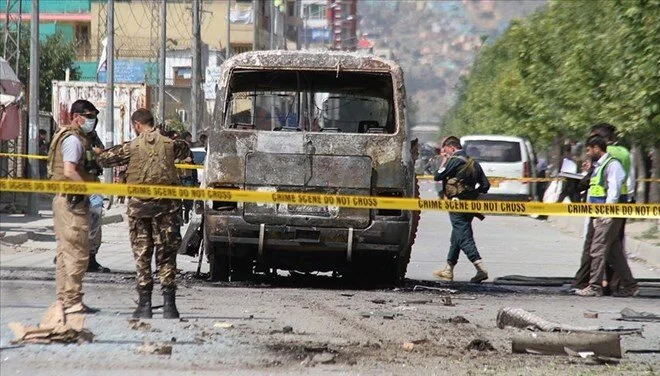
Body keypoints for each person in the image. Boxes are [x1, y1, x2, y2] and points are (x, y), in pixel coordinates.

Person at [94, 108, 189, 319]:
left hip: (140, 209)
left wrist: (96, 152)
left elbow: (106, 159)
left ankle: (145, 306)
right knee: (166, 256)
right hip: (167, 209)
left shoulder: (131, 146)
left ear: (137, 125)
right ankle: (169, 307)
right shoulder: (171, 144)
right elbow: (185, 149)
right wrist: (170, 136)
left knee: (142, 255)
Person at [46, 99, 101, 315]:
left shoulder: (76, 138)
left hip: (66, 201)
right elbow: (69, 171)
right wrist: (87, 190)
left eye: (93, 116)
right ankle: (72, 301)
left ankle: (65, 299)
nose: (91, 120)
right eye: (88, 116)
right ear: (75, 117)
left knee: (65, 252)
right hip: (72, 203)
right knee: (77, 252)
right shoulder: (73, 141)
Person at [573, 124, 638, 296]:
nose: (587, 153)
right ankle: (631, 286)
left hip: (607, 213)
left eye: (589, 149)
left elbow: (614, 189)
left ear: (596, 147)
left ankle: (594, 286)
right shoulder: (600, 165)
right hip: (599, 212)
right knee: (614, 252)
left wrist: (607, 212)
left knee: (597, 248)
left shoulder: (613, 164)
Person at [432, 136, 491, 283]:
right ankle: (448, 269)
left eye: (446, 151)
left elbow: (437, 176)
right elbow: (485, 185)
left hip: (456, 204)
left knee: (464, 236)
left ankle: (480, 268)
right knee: (457, 236)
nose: (446, 154)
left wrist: (444, 161)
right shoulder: (473, 162)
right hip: (469, 205)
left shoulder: (455, 160)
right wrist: (472, 194)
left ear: (451, 148)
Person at [177, 131, 196, 223]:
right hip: (178, 178)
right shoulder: (175, 152)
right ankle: (180, 216)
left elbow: (193, 166)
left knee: (188, 199)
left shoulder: (190, 152)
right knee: (178, 199)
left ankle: (186, 215)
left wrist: (195, 181)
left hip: (188, 178)